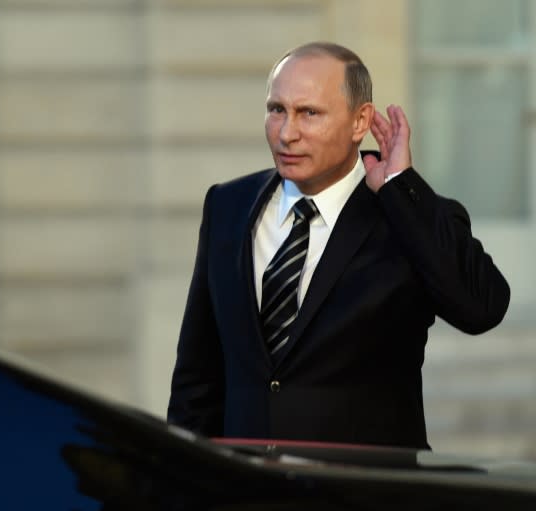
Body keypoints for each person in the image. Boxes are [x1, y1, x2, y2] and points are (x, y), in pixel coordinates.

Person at [166, 41, 510, 449]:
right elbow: (197, 378)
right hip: (247, 491)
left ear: (359, 122)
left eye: (309, 113)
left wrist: (402, 189)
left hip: (364, 493)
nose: (287, 133)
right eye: (277, 110)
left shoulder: (406, 217)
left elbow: (482, 306)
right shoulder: (228, 205)